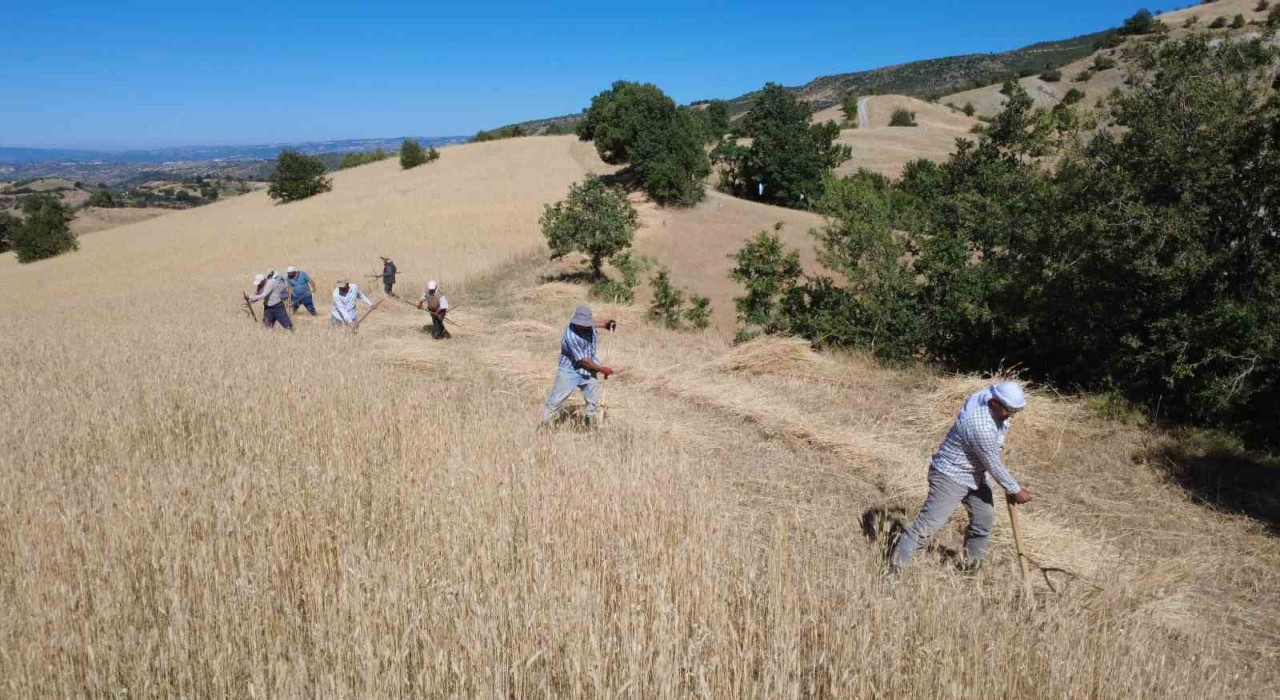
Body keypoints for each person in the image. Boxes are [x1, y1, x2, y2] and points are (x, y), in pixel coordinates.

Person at [890, 381, 1035, 574]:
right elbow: (992, 464)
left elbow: (996, 442)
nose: (1011, 416)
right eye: (1009, 411)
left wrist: (999, 441)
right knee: (927, 526)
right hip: (950, 474)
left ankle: (972, 570)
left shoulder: (989, 398)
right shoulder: (979, 425)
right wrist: (1015, 489)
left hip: (976, 475)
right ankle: (892, 571)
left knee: (984, 519)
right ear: (994, 403)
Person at [541, 306, 617, 425]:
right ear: (576, 323)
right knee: (555, 402)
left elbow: (592, 324)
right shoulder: (571, 336)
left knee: (593, 401)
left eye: (587, 324)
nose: (584, 326)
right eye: (582, 324)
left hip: (588, 371)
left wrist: (605, 324)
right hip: (570, 371)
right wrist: (602, 369)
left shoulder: (587, 325)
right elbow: (584, 361)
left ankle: (589, 425)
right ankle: (545, 427)